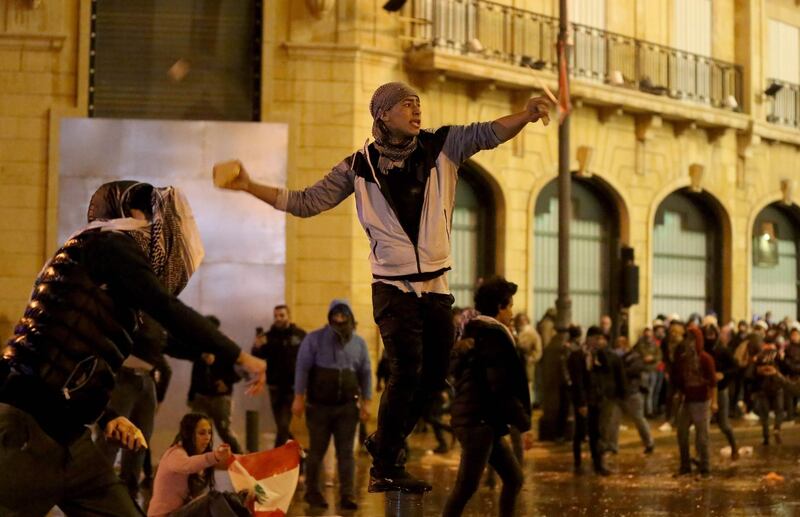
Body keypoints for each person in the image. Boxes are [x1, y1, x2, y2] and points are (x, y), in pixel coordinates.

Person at [221, 81, 550, 492]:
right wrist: (250, 185)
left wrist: (526, 114)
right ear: (383, 115)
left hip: (435, 284)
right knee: (407, 369)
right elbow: (306, 202)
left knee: (434, 378)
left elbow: (490, 132)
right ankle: (386, 462)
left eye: (418, 102)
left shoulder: (444, 144)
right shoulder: (359, 166)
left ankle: (383, 443)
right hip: (392, 287)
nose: (417, 109)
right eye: (407, 104)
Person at [0, 181, 266, 516]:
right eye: (146, 213)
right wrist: (239, 355)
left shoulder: (102, 270)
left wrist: (106, 415)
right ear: (127, 214)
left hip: (71, 438)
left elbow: (78, 350)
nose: (154, 225)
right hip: (29, 432)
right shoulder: (105, 242)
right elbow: (164, 307)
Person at [443, 277, 531, 517]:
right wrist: (523, 423)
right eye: (510, 306)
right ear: (500, 307)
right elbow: (501, 386)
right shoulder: (494, 336)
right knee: (466, 487)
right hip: (478, 422)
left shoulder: (476, 331)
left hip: (483, 420)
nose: (512, 312)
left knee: (514, 478)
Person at [292, 299, 372, 510]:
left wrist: (367, 402)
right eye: (335, 316)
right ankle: (312, 492)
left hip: (347, 408)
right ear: (329, 317)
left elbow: (365, 373)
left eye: (343, 316)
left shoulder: (359, 343)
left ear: (350, 317)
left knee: (346, 453)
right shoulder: (314, 339)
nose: (339, 320)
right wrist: (298, 397)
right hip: (318, 407)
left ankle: (348, 495)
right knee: (316, 451)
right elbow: (302, 368)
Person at [147, 413, 237, 517]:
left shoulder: (199, 458)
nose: (207, 437)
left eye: (209, 433)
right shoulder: (175, 453)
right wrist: (215, 456)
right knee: (212, 498)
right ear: (189, 434)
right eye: (202, 433)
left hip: (181, 513)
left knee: (228, 498)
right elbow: (187, 465)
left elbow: (227, 464)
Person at [252, 304, 307, 448]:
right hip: (275, 387)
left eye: (281, 315)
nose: (278, 318)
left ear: (288, 316)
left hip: (292, 388)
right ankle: (299, 452)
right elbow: (257, 358)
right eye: (276, 316)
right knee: (282, 426)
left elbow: (308, 358)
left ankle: (275, 459)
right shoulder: (268, 337)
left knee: (283, 426)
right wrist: (257, 347)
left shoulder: (299, 335)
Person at [187, 315, 244, 453]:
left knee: (224, 430)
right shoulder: (199, 348)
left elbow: (240, 371)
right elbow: (195, 373)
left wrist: (226, 382)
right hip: (201, 396)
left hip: (220, 398)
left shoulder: (225, 347)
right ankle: (200, 464)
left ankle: (241, 459)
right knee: (198, 431)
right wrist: (191, 395)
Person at [568, 327, 616, 476]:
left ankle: (598, 464)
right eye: (596, 339)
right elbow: (578, 381)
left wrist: (601, 353)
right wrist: (581, 403)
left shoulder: (598, 355)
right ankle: (577, 463)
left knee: (596, 432)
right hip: (583, 399)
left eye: (600, 339)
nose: (599, 342)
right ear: (589, 338)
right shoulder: (577, 356)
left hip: (596, 398)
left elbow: (607, 370)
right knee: (580, 432)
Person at [672, 325, 716, 477]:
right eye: (687, 338)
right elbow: (681, 379)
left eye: (692, 339)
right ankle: (685, 465)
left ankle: (705, 467)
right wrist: (679, 393)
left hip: (702, 401)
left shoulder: (705, 359)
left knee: (702, 436)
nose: (689, 342)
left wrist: (713, 401)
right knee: (681, 433)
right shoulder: (684, 359)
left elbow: (713, 382)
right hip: (688, 400)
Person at [605, 336, 654, 454]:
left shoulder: (634, 358)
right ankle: (612, 446)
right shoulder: (617, 358)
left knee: (638, 419)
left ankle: (649, 442)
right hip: (619, 393)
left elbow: (633, 371)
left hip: (632, 392)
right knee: (614, 420)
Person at [703, 322, 739, 459]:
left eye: (712, 335)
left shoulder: (723, 350)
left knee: (723, 424)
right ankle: (703, 455)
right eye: (707, 335)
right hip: (706, 390)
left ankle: (734, 446)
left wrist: (723, 374)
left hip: (720, 389)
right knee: (703, 425)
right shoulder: (703, 350)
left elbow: (735, 368)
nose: (710, 337)